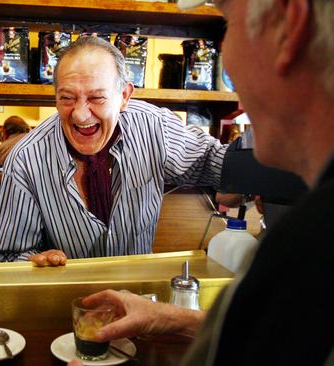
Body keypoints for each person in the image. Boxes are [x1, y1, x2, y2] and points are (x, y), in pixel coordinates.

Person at [70, 0, 334, 364]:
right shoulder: (310, 227)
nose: (225, 61)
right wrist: (176, 320)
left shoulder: (311, 241)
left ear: (288, 29)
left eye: (228, 25)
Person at [0, 36, 226, 264]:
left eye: (97, 98)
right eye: (67, 98)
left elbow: (212, 160)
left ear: (124, 96)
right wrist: (35, 261)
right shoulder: (25, 159)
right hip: (65, 298)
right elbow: (9, 256)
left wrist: (247, 178)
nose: (80, 114)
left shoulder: (154, 127)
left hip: (139, 296)